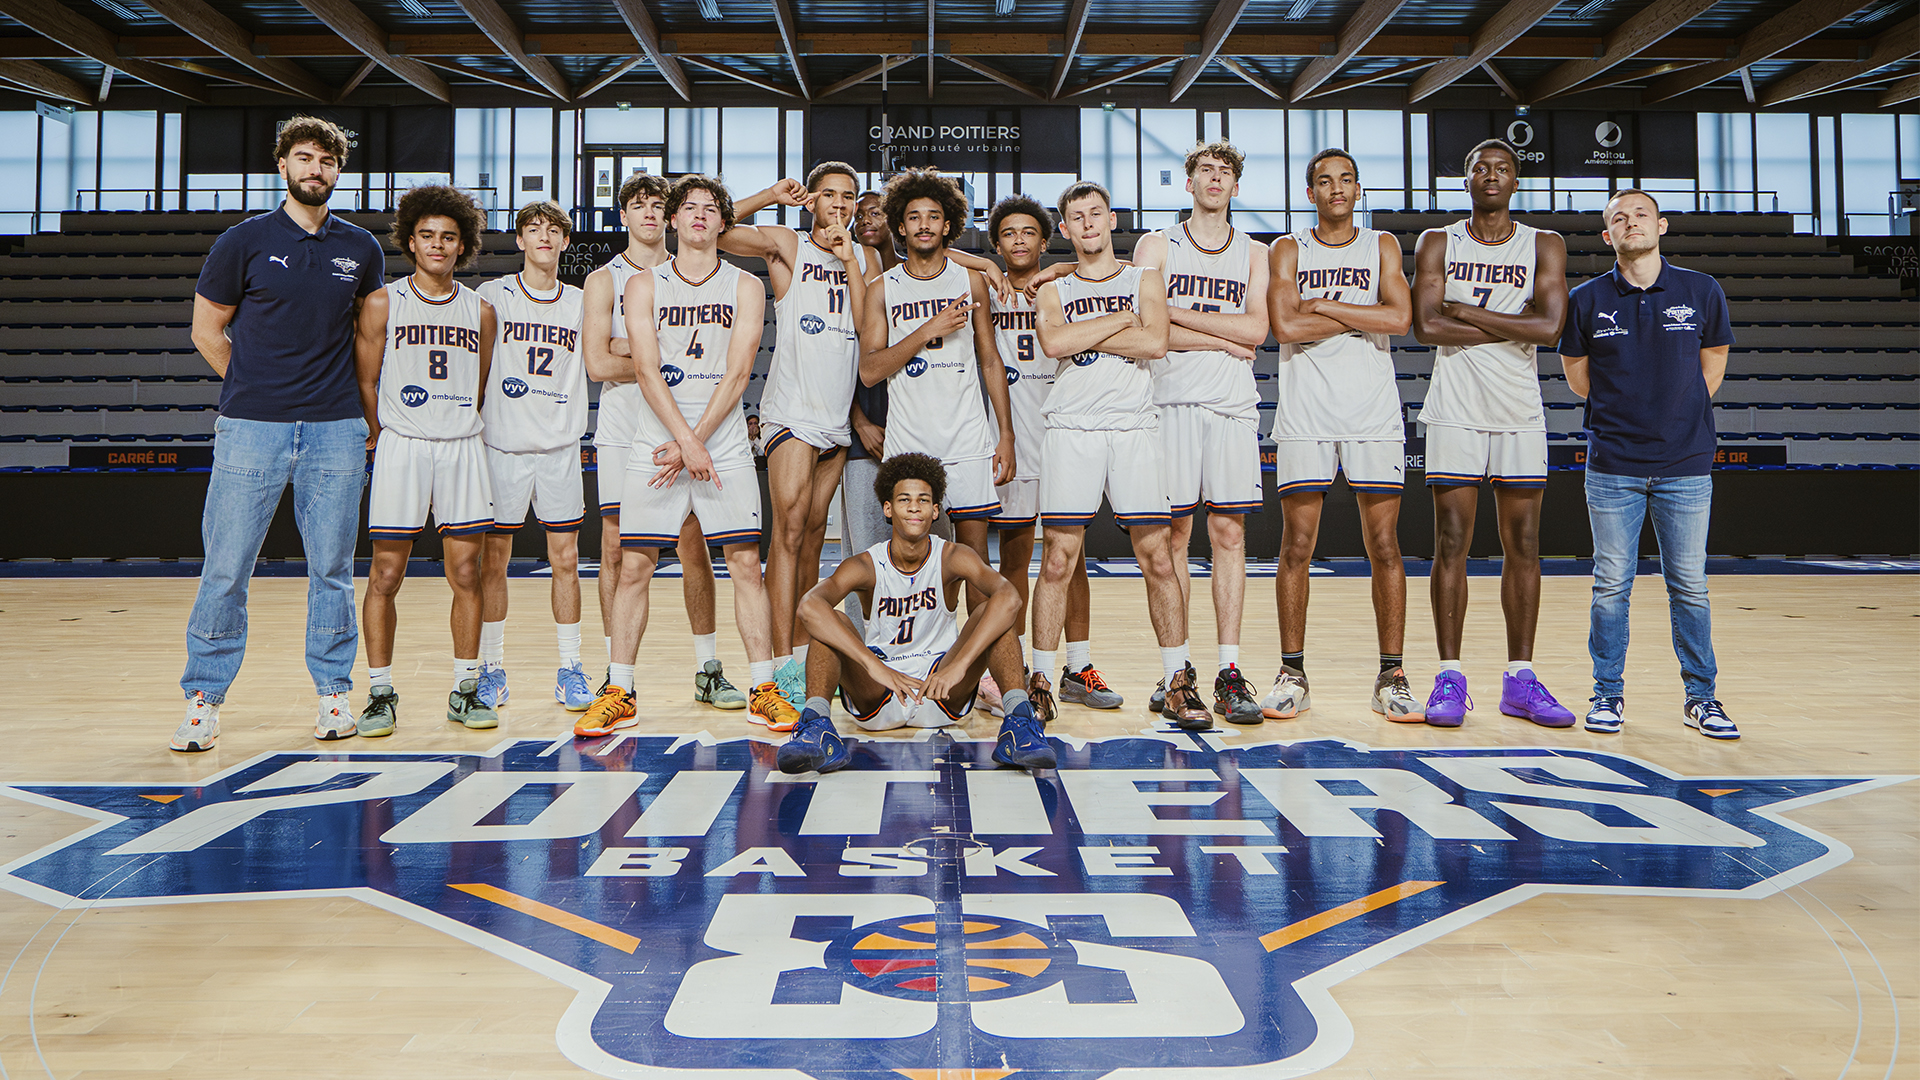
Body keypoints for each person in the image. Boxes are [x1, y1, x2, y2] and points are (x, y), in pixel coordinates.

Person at [174, 114, 387, 752]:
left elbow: (367, 339)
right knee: (226, 569)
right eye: (303, 158)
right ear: (282, 165)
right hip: (251, 428)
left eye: (326, 160)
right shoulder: (242, 242)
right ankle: (202, 702)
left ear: (338, 171)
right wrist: (254, 385)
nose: (314, 169)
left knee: (331, 569)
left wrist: (365, 416)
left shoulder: (362, 250)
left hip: (335, 429)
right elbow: (206, 332)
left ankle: (332, 695)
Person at [575, 175, 793, 737]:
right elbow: (645, 370)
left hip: (716, 439)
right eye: (688, 207)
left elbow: (739, 371)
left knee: (746, 564)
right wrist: (685, 441)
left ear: (723, 222)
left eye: (710, 209)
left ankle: (762, 686)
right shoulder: (642, 286)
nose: (699, 215)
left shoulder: (745, 286)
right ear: (672, 221)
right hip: (660, 437)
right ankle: (619, 689)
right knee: (634, 566)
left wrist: (696, 440)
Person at [1559, 189, 1738, 740]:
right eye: (1618, 218)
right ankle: (1607, 695)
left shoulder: (1701, 290)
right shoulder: (1587, 298)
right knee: (1611, 584)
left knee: (1689, 585)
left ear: (1661, 225)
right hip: (1613, 464)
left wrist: (1675, 416)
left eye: (1640, 214)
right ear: (1607, 236)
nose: (1630, 222)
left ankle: (1701, 698)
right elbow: (1578, 375)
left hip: (1685, 465)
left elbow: (1712, 368)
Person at [1411, 138, 1573, 730]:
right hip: (1454, 409)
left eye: (1502, 168)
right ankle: (1450, 675)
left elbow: (1551, 327)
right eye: (1480, 167)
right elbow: (1427, 325)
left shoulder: (1544, 244)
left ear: (1516, 180)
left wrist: (1468, 313)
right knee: (1451, 541)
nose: (1490, 175)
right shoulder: (1439, 241)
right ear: (1467, 180)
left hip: (1518, 410)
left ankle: (1520, 679)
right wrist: (1512, 324)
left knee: (1523, 544)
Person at [1033, 182, 1206, 729]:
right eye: (1075, 217)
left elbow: (1155, 343)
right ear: (1064, 229)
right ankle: (1040, 680)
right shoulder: (1051, 289)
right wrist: (1120, 323)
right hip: (1071, 427)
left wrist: (1083, 333)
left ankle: (1178, 681)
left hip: (1134, 428)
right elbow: (1054, 345)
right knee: (1058, 558)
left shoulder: (1145, 279)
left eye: (1095, 213)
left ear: (1111, 220)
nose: (1086, 223)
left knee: (1158, 557)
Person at [777, 452, 1053, 775]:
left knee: (992, 615)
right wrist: (872, 665)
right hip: (879, 691)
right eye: (904, 499)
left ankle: (1018, 725)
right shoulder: (867, 565)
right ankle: (816, 727)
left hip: (942, 688)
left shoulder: (951, 557)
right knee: (833, 621)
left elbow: (1010, 598)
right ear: (888, 508)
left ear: (935, 510)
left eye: (923, 500)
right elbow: (808, 606)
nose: (913, 507)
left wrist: (960, 667)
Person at [1266, 148, 1421, 723]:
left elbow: (1400, 319)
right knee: (1296, 548)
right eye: (1325, 181)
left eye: (1346, 179)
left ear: (1358, 190)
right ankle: (1291, 671)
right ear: (1310, 194)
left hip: (1373, 412)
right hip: (1307, 410)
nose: (1337, 188)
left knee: (1385, 547)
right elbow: (1285, 326)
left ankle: (1393, 674)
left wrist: (1325, 305)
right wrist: (1363, 310)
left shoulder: (1381, 244)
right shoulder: (1288, 248)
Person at [1130, 142, 1271, 724]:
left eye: (1225, 173)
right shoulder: (1157, 245)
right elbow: (1149, 326)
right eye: (1205, 171)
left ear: (1235, 187)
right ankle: (1177, 671)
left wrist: (1178, 314)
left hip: (1232, 407)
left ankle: (1230, 670)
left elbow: (1258, 330)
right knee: (1175, 538)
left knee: (1229, 534)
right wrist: (1223, 336)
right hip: (1169, 403)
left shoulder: (1256, 253)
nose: (1215, 179)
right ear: (1188, 183)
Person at [352, 184, 499, 736]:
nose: (438, 245)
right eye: (428, 236)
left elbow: (479, 384)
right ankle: (380, 693)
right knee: (385, 573)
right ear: (410, 241)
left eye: (449, 237)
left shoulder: (480, 310)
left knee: (467, 572)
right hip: (403, 447)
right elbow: (366, 380)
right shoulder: (384, 302)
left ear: (463, 246)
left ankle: (466, 688)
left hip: (462, 446)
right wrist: (380, 432)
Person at [719, 164, 869, 703]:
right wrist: (769, 195)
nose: (839, 204)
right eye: (828, 194)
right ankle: (779, 662)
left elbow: (867, 329)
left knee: (811, 536)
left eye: (848, 197)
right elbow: (713, 227)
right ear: (813, 202)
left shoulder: (863, 257)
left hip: (835, 422)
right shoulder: (787, 245)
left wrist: (850, 257)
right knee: (786, 533)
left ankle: (804, 651)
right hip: (791, 412)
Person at [858, 169, 1019, 638]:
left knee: (974, 559)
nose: (924, 225)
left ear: (948, 225)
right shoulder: (882, 289)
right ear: (900, 228)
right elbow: (870, 369)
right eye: (914, 218)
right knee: (911, 560)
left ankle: (985, 669)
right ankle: (924, 651)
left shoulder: (971, 283)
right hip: (910, 443)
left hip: (968, 439)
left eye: (934, 217)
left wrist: (1005, 434)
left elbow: (990, 361)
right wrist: (926, 330)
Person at [985, 194, 1120, 712]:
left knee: (1072, 559)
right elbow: (950, 257)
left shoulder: (1066, 285)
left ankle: (1078, 665)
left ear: (1046, 239)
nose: (1018, 241)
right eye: (1008, 234)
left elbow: (1089, 263)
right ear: (996, 244)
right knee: (1016, 558)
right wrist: (981, 262)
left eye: (1029, 233)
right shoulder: (988, 287)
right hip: (1014, 435)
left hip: (1065, 429)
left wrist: (1061, 264)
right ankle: (1015, 664)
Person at [473, 201, 591, 713]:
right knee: (493, 560)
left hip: (561, 447)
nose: (544, 236)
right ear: (519, 240)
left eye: (554, 230)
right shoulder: (490, 296)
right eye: (533, 228)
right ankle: (490, 668)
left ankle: (570, 668)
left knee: (565, 560)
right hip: (502, 445)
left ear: (566, 242)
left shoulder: (584, 302)